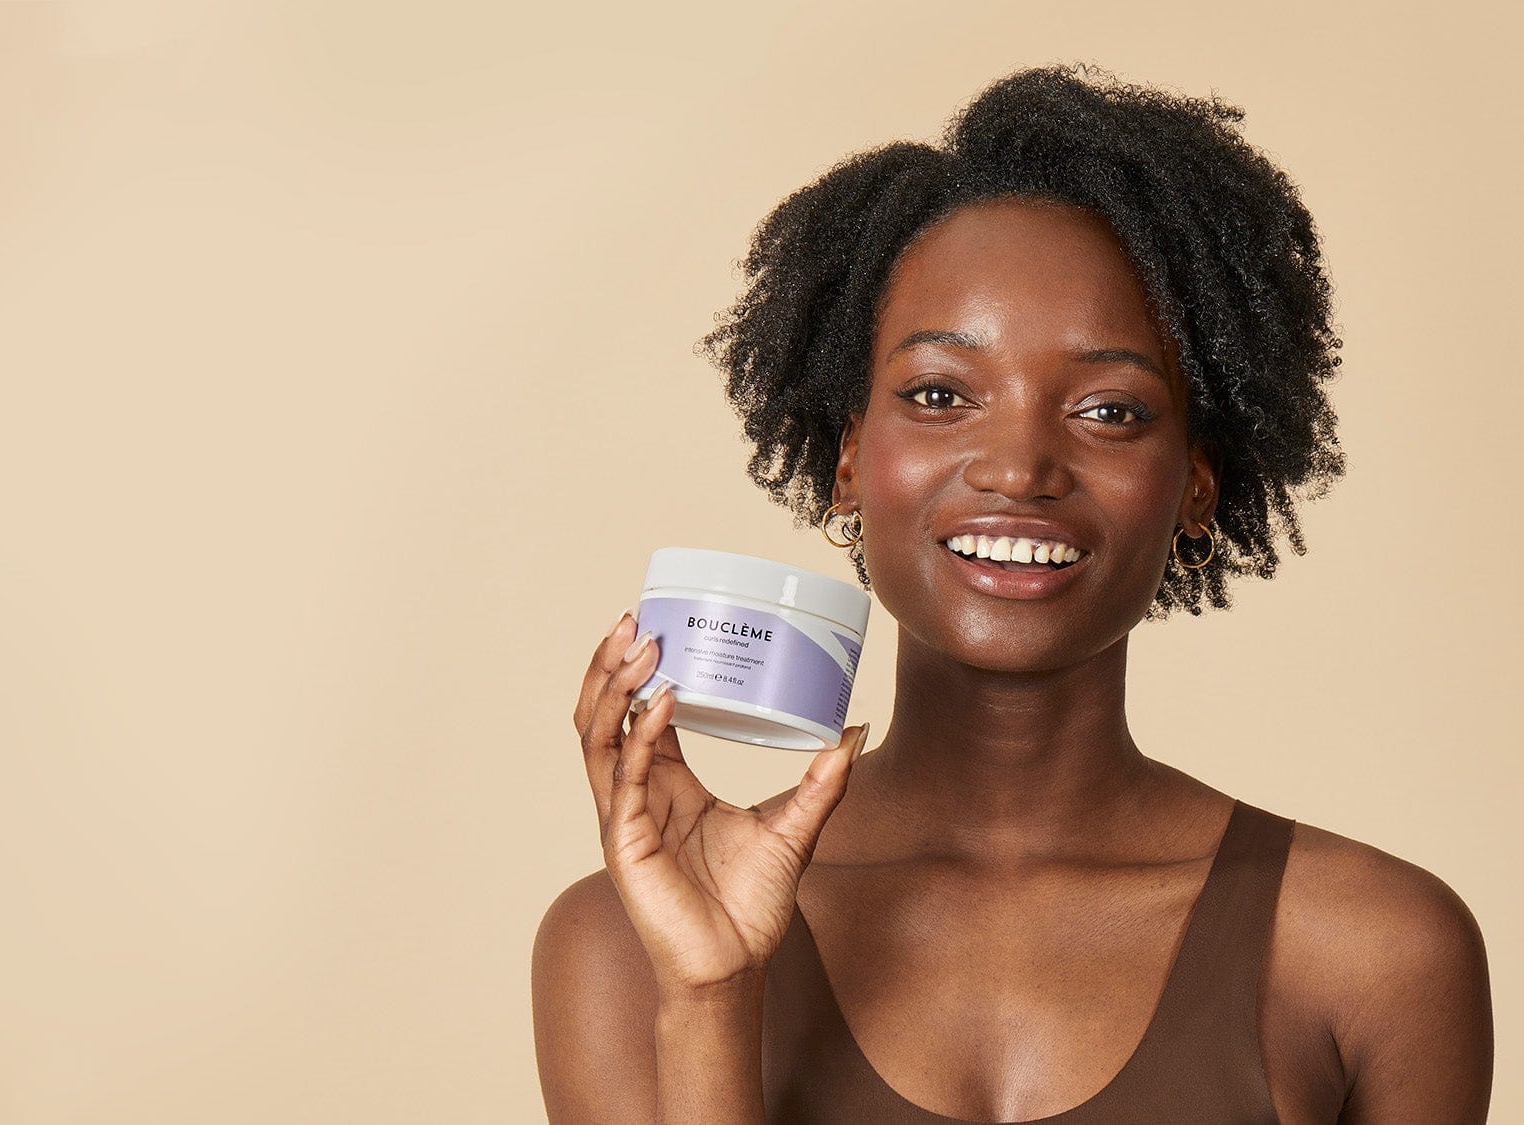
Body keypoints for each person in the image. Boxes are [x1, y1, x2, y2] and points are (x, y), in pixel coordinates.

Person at [532, 65, 1493, 1124]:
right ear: (849, 458)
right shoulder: (623, 945)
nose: (1018, 466)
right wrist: (711, 997)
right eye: (939, 393)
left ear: (1195, 486)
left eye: (1109, 410)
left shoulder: (1372, 952)